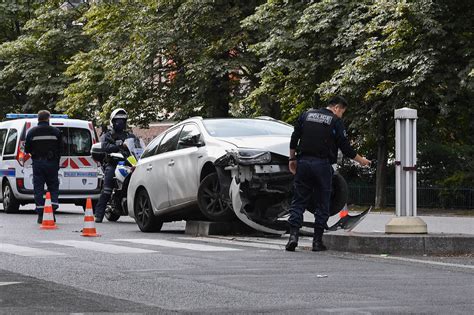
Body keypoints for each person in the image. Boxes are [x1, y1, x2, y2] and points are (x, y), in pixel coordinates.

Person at [286, 96, 370, 252]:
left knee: (298, 201)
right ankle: (317, 242)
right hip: (322, 165)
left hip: (303, 163)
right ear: (337, 107)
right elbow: (345, 147)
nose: (341, 115)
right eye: (342, 112)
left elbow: (294, 137)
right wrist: (361, 160)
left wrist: (292, 158)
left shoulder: (306, 115)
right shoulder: (335, 121)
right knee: (323, 202)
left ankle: (293, 237)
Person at [94, 108, 136, 223]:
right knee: (107, 188)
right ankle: (99, 215)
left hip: (129, 162)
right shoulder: (108, 135)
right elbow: (104, 147)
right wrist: (118, 146)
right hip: (113, 163)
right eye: (118, 120)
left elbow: (136, 147)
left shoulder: (130, 135)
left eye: (123, 120)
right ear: (113, 121)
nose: (120, 123)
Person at [25, 110, 63, 224]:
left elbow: (27, 149)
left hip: (38, 163)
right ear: (48, 118)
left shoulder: (32, 132)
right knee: (53, 186)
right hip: (52, 163)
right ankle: (53, 210)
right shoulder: (56, 132)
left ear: (38, 119)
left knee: (38, 188)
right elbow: (61, 148)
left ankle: (41, 214)